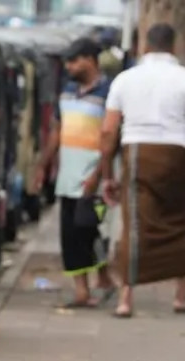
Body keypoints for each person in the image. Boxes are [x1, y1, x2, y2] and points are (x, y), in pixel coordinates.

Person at [99, 23, 185, 317]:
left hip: (137, 153)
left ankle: (125, 299)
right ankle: (180, 297)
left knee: (134, 222)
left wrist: (107, 175)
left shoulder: (125, 79)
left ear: (144, 46)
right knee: (180, 221)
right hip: (176, 154)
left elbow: (108, 131)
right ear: (174, 46)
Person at [35, 37, 117, 309]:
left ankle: (103, 279)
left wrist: (98, 176)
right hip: (67, 178)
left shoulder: (109, 93)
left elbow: (111, 139)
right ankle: (83, 290)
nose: (69, 66)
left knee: (91, 231)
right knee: (70, 236)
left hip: (95, 179)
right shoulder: (67, 91)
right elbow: (57, 131)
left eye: (74, 61)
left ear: (91, 60)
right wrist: (43, 164)